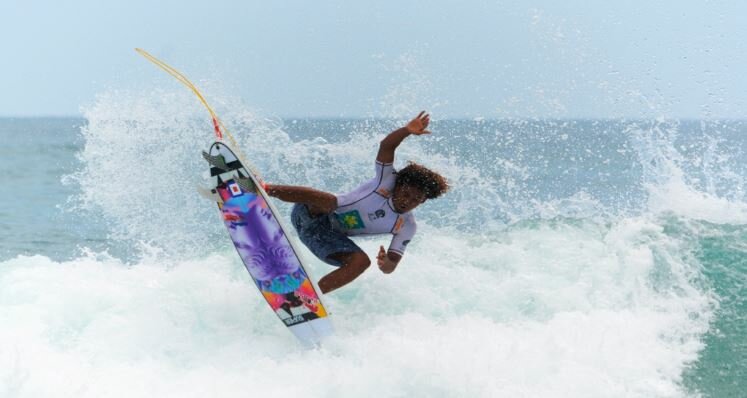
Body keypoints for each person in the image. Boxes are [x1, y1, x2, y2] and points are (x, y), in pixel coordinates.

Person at [264, 111, 449, 294]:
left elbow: (391, 266)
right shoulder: (386, 180)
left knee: (361, 262)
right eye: (406, 194)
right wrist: (406, 131)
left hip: (325, 239)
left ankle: (306, 299)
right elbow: (386, 147)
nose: (407, 202)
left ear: (423, 201)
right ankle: (263, 189)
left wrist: (386, 263)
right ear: (398, 185)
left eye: (416, 200)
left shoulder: (406, 226)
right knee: (330, 201)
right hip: (308, 213)